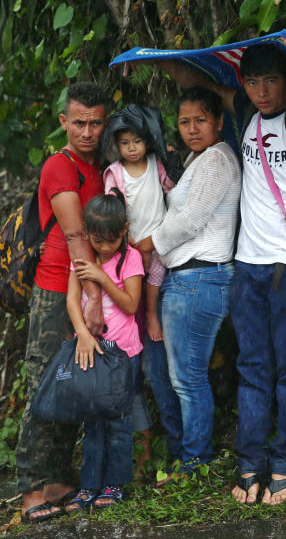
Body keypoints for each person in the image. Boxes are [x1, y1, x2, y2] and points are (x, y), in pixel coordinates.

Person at [157, 33, 286, 505]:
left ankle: (285, 465)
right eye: (254, 82)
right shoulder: (243, 112)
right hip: (247, 267)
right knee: (253, 368)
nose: (262, 91)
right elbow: (197, 81)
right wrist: (160, 59)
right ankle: (250, 464)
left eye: (271, 82)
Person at [135, 87, 241, 479]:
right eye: (184, 122)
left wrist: (145, 245)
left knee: (188, 378)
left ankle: (195, 462)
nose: (192, 129)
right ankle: (190, 456)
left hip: (199, 277)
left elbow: (191, 220)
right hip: (192, 279)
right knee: (183, 376)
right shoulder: (200, 158)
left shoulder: (217, 158)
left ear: (218, 122)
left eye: (200, 120)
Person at [17, 82, 109, 523]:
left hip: (89, 286)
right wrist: (92, 298)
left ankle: (57, 480)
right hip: (57, 288)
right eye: (78, 123)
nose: (87, 132)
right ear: (63, 122)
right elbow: (75, 235)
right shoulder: (60, 165)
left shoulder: (102, 167)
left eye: (94, 123)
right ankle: (32, 490)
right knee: (43, 383)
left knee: (73, 384)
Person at [101, 105, 175, 476]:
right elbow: (112, 209)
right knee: (136, 286)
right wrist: (128, 241)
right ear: (116, 144)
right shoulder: (113, 173)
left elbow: (174, 193)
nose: (132, 149)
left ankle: (150, 313)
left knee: (155, 283)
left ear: (149, 142)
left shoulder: (156, 166)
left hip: (160, 243)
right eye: (125, 143)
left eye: (138, 142)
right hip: (129, 247)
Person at [62, 192, 144, 511]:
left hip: (123, 354)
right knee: (92, 422)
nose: (104, 247)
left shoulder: (130, 258)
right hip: (90, 350)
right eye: (98, 239)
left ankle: (114, 485)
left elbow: (131, 304)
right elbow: (72, 300)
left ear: (124, 231)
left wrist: (102, 278)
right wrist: (82, 334)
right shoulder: (82, 257)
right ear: (87, 232)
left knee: (119, 422)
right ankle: (89, 486)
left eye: (111, 240)